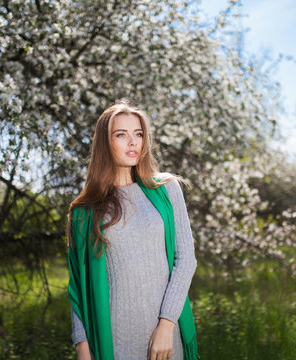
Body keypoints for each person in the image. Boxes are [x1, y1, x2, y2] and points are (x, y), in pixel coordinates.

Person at [67, 100, 199, 360]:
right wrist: (82, 346)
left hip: (164, 339)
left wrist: (166, 325)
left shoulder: (165, 190)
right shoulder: (85, 211)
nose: (133, 142)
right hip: (112, 342)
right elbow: (77, 286)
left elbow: (185, 261)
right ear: (105, 143)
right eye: (121, 135)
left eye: (138, 134)